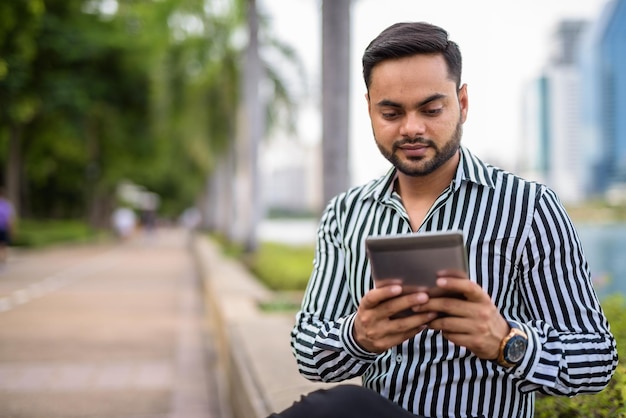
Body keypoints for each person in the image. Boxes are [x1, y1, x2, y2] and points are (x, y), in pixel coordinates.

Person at [270, 22, 618, 418]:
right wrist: (358, 336)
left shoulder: (529, 207)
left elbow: (597, 359)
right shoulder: (346, 214)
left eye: (431, 109)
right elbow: (309, 353)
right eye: (391, 112)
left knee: (339, 406)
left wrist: (505, 341)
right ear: (369, 108)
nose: (412, 128)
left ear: (462, 103)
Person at [0, 188, 15, 265]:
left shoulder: (6, 205)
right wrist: (12, 230)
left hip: (2, 227)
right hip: (3, 227)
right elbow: (9, 219)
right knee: (4, 244)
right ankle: (3, 259)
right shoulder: (6, 205)